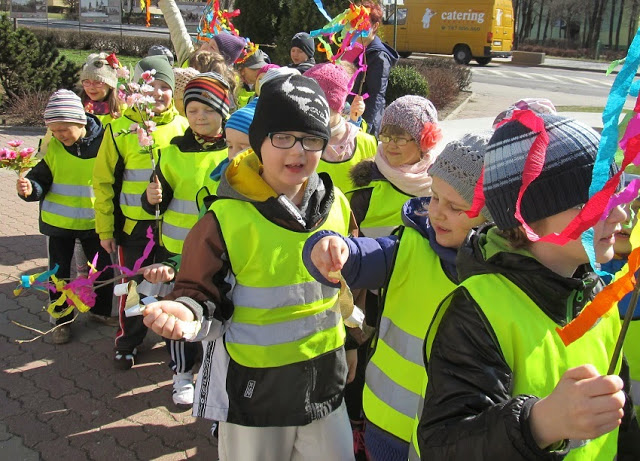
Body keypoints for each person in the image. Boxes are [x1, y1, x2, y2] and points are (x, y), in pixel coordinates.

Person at [141, 73, 356, 460]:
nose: (298, 151)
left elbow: (346, 287)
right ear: (259, 142)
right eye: (282, 137)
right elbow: (198, 290)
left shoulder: (337, 203)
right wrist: (186, 309)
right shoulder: (225, 218)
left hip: (325, 382)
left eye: (311, 138)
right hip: (255, 391)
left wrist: (352, 344)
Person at [417, 112, 640, 459]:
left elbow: (621, 426)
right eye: (593, 203)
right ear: (529, 220)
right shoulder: (478, 309)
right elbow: (443, 443)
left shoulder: (597, 295)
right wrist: (540, 423)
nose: (620, 215)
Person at [303, 133, 491, 460]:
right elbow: (364, 256)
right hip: (387, 424)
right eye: (435, 197)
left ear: (492, 216)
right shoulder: (410, 243)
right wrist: (332, 246)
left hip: (452, 440)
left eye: (456, 207)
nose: (438, 213)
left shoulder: (502, 274)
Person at [93, 55, 189, 370]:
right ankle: (129, 339)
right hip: (135, 229)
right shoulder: (119, 129)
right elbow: (104, 182)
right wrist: (106, 229)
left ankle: (176, 341)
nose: (158, 93)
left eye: (165, 86)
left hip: (175, 228)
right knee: (133, 287)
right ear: (137, 90)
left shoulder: (184, 126)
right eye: (151, 86)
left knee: (174, 286)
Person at [142, 72, 230, 406]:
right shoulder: (171, 152)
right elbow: (156, 201)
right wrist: (150, 198)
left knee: (212, 311)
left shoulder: (234, 149)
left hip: (219, 251)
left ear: (223, 110)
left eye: (208, 109)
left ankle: (211, 370)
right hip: (175, 249)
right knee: (177, 309)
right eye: (192, 110)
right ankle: (180, 372)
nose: (199, 117)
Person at [16, 90, 116, 344]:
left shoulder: (105, 143)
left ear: (81, 122)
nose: (60, 135)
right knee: (58, 275)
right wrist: (30, 189)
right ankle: (61, 320)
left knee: (102, 271)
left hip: (95, 223)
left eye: (64, 129)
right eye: (54, 130)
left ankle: (100, 311)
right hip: (58, 225)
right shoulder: (51, 147)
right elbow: (39, 180)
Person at [350, 95, 441, 238]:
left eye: (400, 139)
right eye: (386, 136)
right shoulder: (368, 184)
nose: (391, 145)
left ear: (422, 142)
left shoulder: (441, 186)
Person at [304, 62, 377, 195]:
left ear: (335, 104)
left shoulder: (366, 143)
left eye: (316, 105)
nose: (308, 112)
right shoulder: (296, 140)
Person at [347, 0, 398, 135]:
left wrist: (365, 129)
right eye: (355, 23)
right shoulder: (357, 48)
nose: (357, 28)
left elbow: (376, 96)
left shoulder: (379, 57)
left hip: (364, 123)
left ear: (375, 26)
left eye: (362, 24)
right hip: (352, 117)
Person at [158, 0, 245, 67]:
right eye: (207, 42)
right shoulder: (189, 58)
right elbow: (177, 26)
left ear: (222, 60)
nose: (204, 46)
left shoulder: (220, 83)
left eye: (212, 47)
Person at [79, 52, 125, 126]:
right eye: (86, 82)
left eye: (98, 82)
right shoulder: (79, 106)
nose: (91, 87)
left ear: (110, 85)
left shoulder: (122, 109)